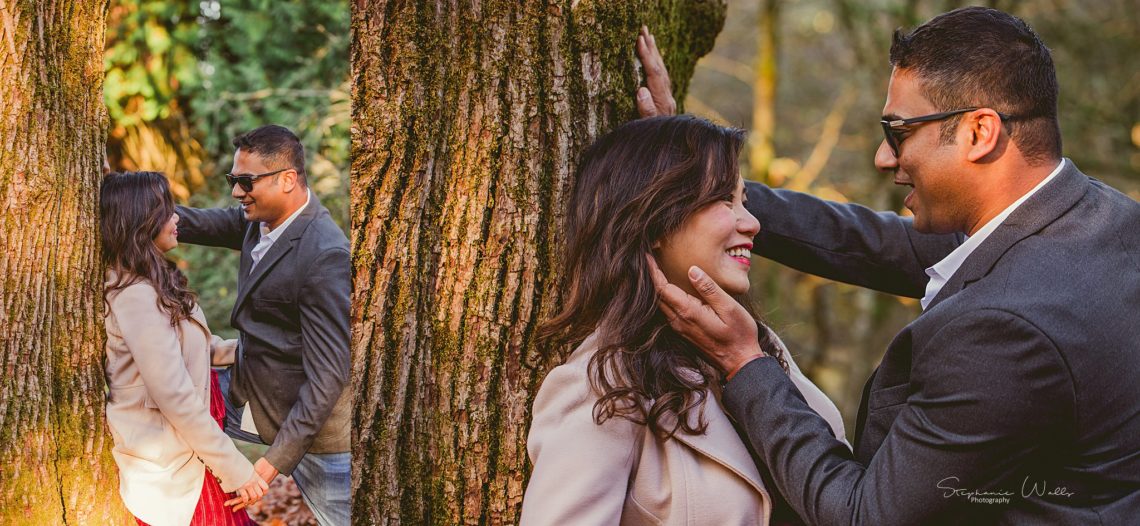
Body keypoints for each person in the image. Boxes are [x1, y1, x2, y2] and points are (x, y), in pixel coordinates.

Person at [638, 8, 1140, 524]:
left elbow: (864, 514)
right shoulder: (1101, 222)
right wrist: (705, 184)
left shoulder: (1003, 332)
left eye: (899, 131)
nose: (883, 156)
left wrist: (745, 364)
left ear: (978, 133)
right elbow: (867, 242)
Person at [520, 115, 848, 525]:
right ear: (655, 220)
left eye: (743, 200)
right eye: (724, 200)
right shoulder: (600, 384)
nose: (752, 222)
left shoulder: (759, 349)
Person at [175, 125, 351, 525]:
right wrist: (127, 204)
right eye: (233, 180)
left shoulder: (325, 256)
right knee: (170, 405)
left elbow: (329, 379)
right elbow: (190, 222)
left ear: (288, 179)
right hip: (253, 395)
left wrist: (270, 466)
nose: (237, 192)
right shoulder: (257, 221)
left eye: (246, 181)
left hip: (320, 440)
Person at [101, 171, 267, 526]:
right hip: (177, 466)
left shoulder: (152, 279)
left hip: (198, 450)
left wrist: (267, 351)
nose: (177, 218)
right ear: (141, 221)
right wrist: (237, 469)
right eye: (167, 211)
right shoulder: (134, 296)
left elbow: (200, 349)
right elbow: (174, 397)